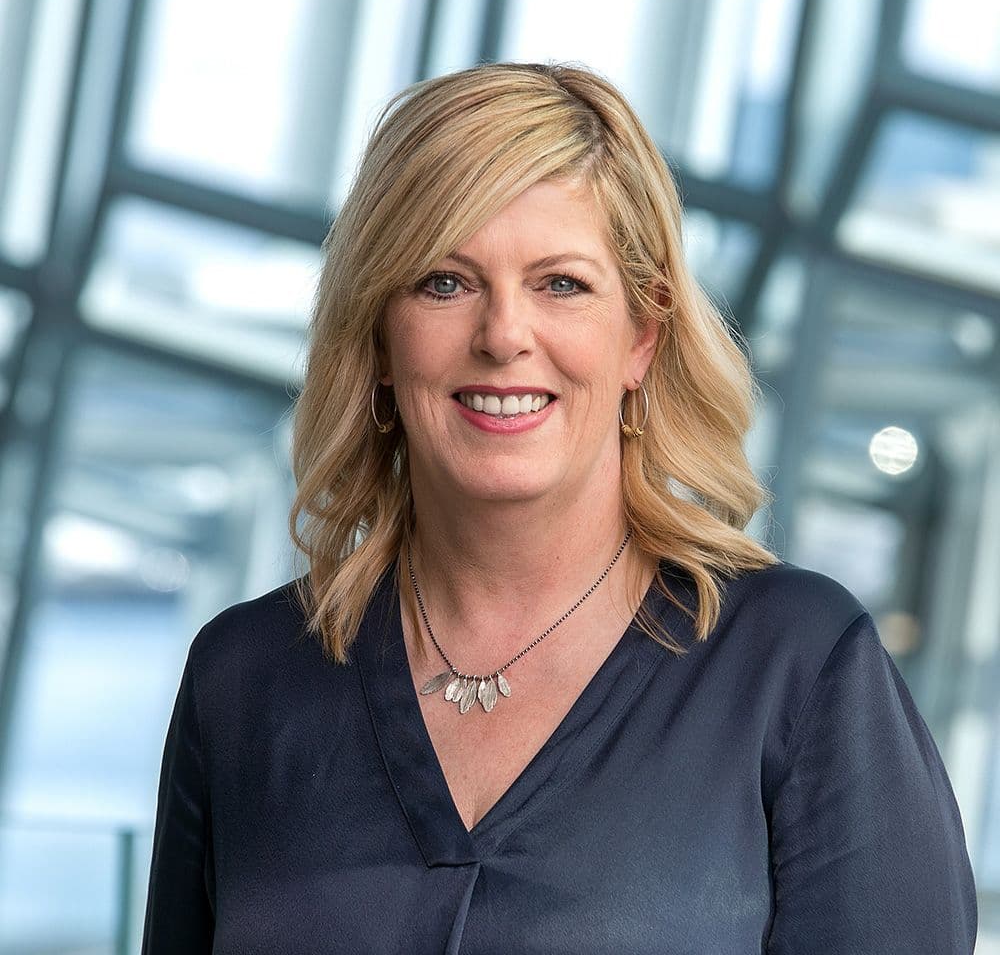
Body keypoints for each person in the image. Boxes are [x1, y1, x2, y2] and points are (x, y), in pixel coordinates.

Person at [140, 62, 977, 954]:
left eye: (562, 284)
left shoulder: (798, 671)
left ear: (643, 338)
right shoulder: (244, 680)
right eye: (444, 282)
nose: (504, 336)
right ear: (378, 338)